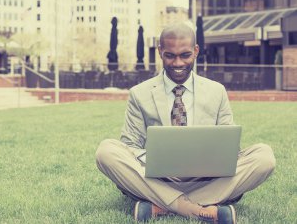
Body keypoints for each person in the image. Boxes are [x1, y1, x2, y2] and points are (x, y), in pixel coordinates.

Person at [95, 21, 275, 223]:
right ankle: (198, 209)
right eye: (170, 55)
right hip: (157, 177)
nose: (178, 63)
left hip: (207, 179)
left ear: (196, 51)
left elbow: (230, 147)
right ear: (161, 52)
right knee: (106, 151)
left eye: (185, 55)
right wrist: (153, 158)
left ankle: (162, 207)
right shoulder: (139, 94)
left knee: (264, 157)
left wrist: (212, 159)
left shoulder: (217, 91)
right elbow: (129, 146)